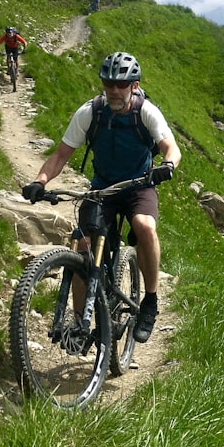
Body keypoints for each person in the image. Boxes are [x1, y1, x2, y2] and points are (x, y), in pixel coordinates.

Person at [21, 52, 181, 343]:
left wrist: (167, 166)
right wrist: (39, 181)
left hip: (139, 185)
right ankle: (82, 325)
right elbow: (60, 155)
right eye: (109, 84)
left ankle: (150, 302)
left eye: (122, 85)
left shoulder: (146, 112)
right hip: (102, 188)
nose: (115, 90)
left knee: (145, 226)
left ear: (135, 85)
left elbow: (171, 147)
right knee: (84, 248)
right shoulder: (90, 112)